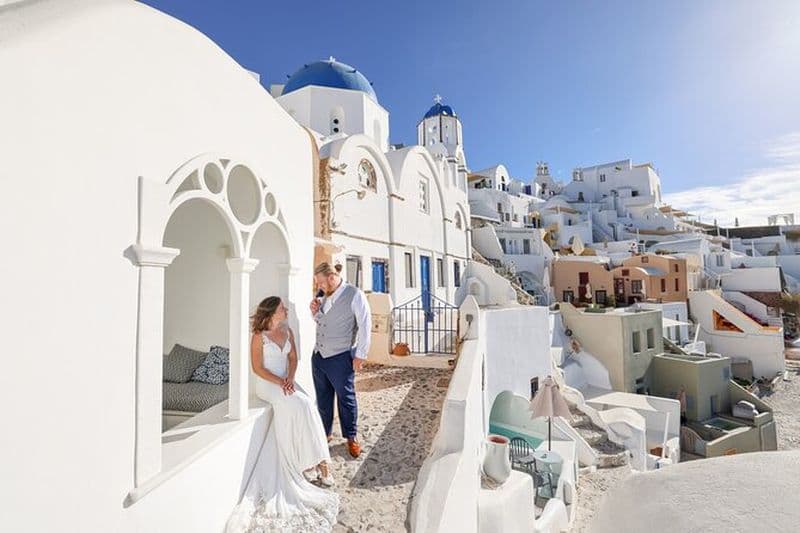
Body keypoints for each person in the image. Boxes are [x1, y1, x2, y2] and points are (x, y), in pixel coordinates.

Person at [226, 297, 339, 532]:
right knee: (299, 405)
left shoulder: (287, 330)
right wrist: (280, 381)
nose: (285, 310)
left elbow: (293, 358)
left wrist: (290, 378)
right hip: (268, 384)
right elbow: (257, 368)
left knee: (307, 405)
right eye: (282, 308)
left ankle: (320, 462)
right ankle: (313, 463)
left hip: (286, 381)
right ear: (271, 313)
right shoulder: (259, 336)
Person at [310, 262, 371, 459]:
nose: (318, 287)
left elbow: (365, 325)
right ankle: (325, 434)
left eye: (320, 282)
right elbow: (324, 322)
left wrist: (361, 354)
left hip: (340, 357)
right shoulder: (323, 298)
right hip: (319, 357)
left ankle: (351, 437)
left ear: (331, 277)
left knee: (346, 399)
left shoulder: (354, 294)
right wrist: (315, 313)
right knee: (323, 399)